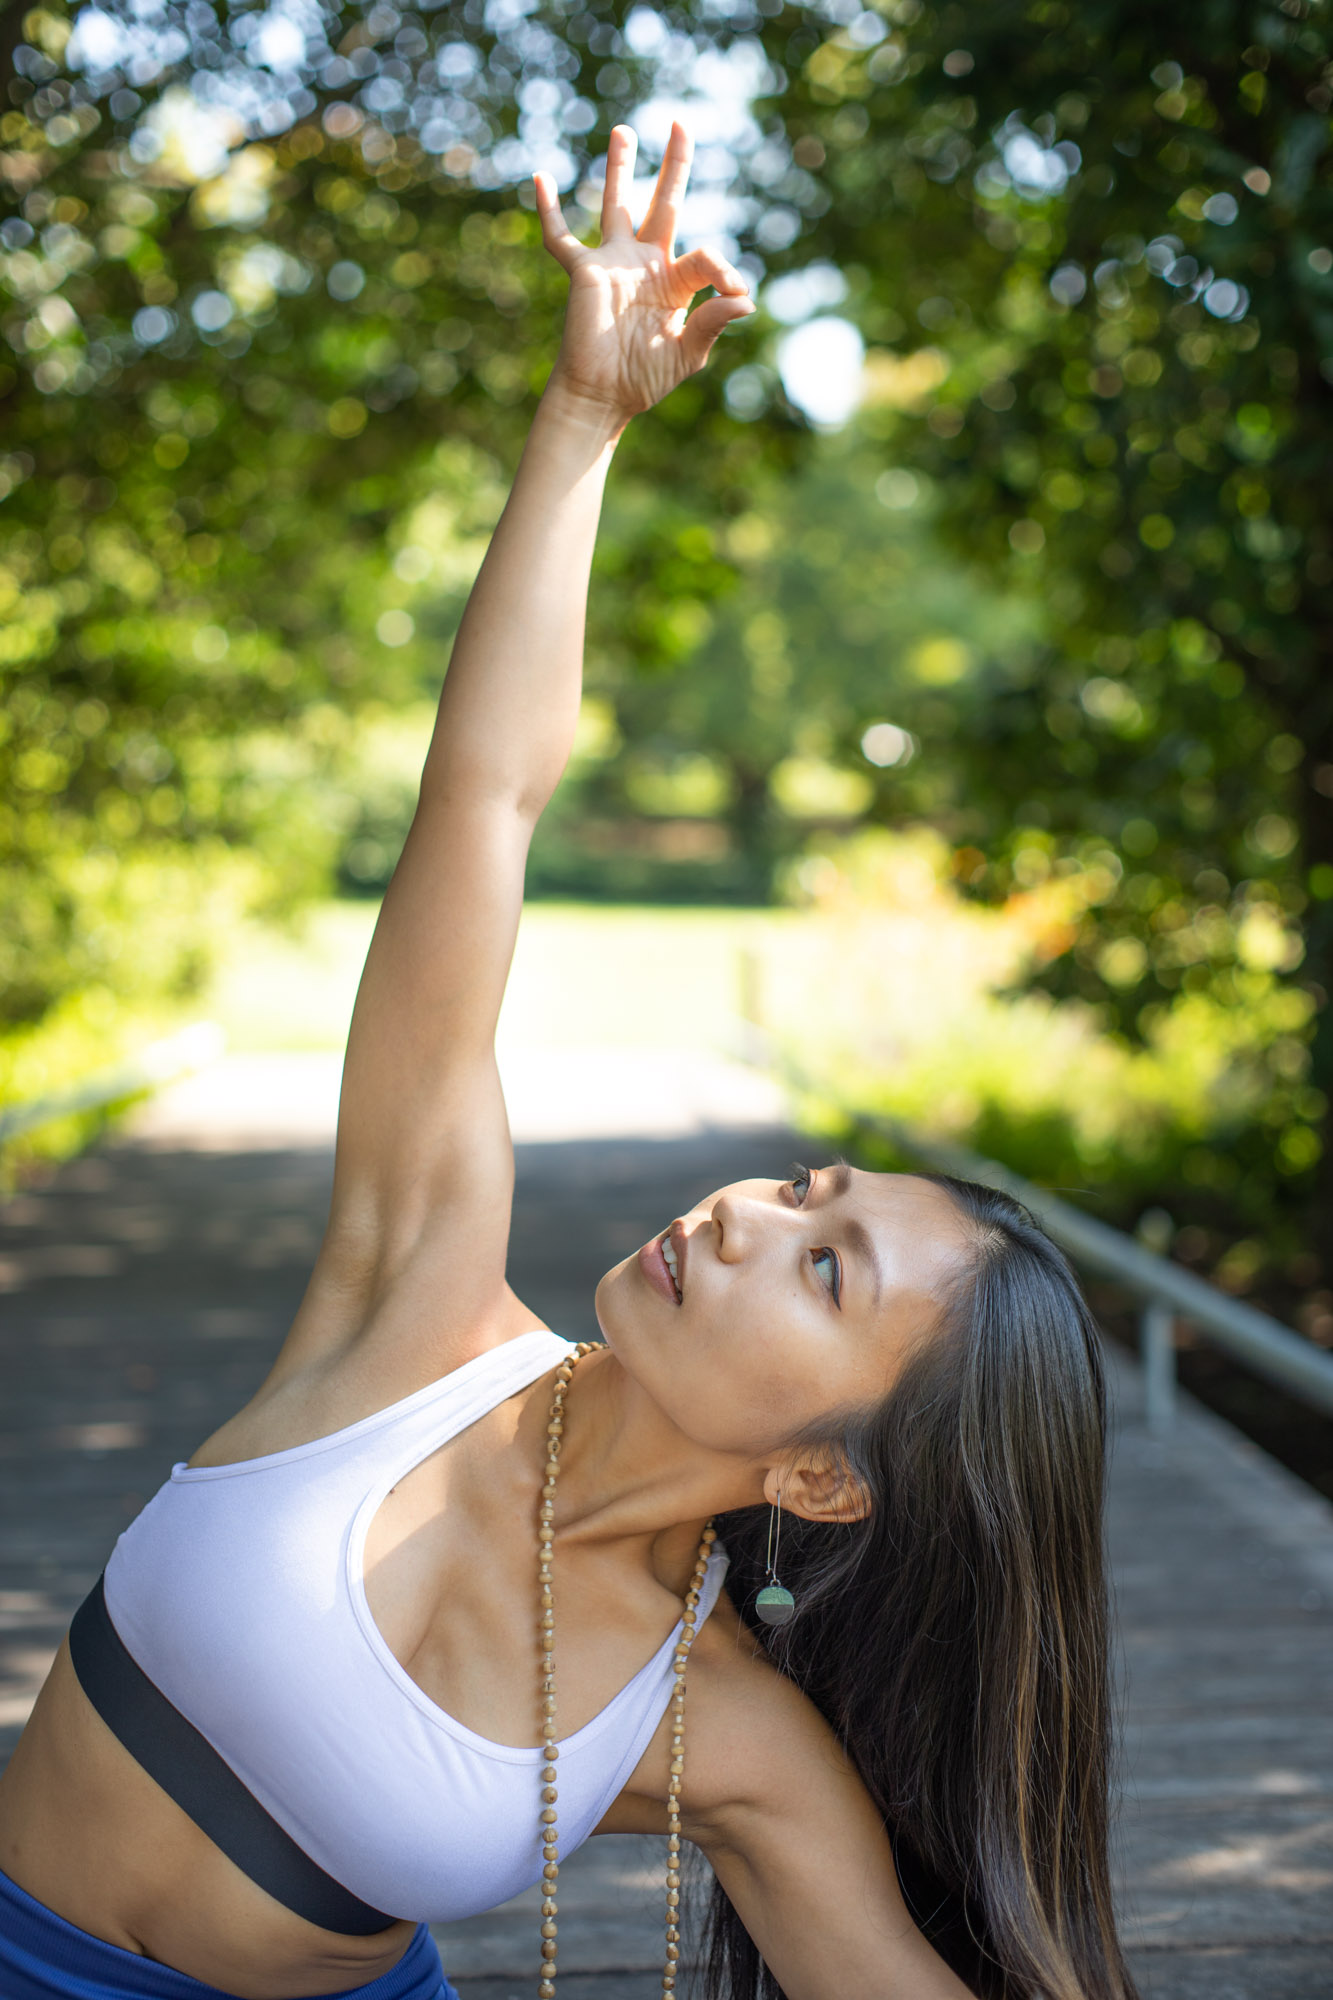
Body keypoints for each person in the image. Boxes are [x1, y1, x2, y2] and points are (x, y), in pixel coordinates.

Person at [0, 124, 1137, 2000]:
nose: (753, 1216)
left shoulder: (714, 1726)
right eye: (804, 1189)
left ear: (829, 1484)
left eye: (824, 1265)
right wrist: (581, 426)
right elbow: (488, 805)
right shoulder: (415, 1306)